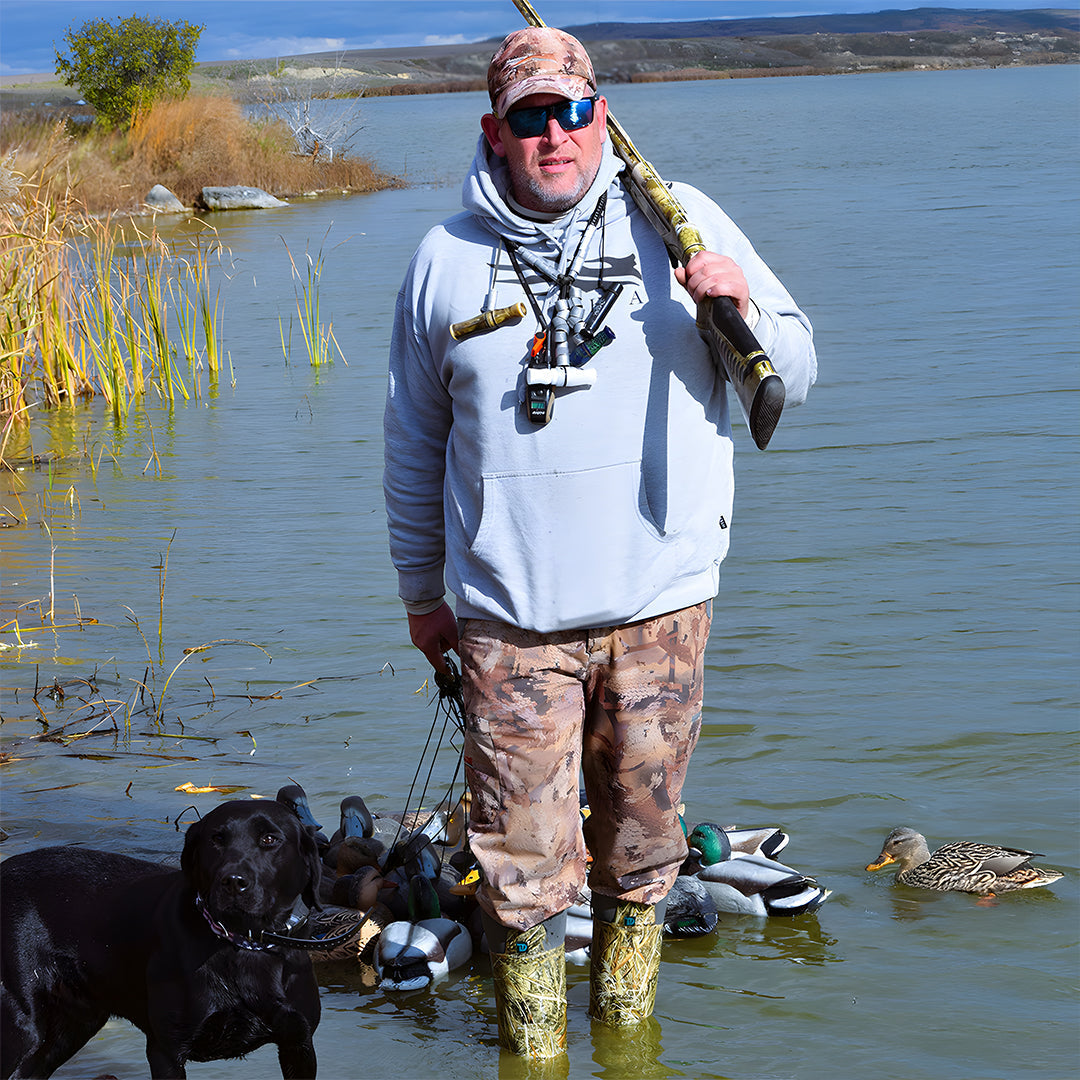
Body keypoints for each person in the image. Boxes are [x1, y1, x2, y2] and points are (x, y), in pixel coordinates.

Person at [383, 26, 816, 1059]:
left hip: (661, 613)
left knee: (644, 862)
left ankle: (629, 1049)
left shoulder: (683, 221)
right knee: (522, 878)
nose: (554, 134)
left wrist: (736, 305)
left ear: (603, 118)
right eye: (529, 116)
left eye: (571, 111)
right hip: (509, 629)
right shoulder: (444, 259)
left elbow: (794, 375)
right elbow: (411, 442)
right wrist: (420, 594)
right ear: (495, 131)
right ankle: (534, 1055)